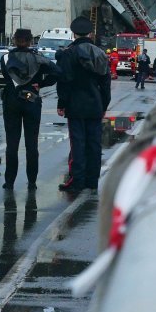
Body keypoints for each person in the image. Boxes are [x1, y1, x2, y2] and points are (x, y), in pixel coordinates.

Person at [55, 16, 111, 194]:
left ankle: (77, 180)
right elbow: (106, 83)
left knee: (77, 143)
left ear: (73, 33)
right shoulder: (100, 54)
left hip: (75, 105)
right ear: (90, 32)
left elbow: (64, 81)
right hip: (95, 104)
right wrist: (103, 105)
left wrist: (62, 103)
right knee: (94, 144)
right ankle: (92, 180)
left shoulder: (68, 54)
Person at [1, 28, 59, 190]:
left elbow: (7, 78)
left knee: (12, 143)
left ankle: (9, 181)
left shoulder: (5, 58)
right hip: (32, 100)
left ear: (14, 40)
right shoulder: (38, 59)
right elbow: (57, 72)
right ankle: (32, 181)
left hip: (11, 100)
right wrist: (40, 84)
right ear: (30, 41)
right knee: (31, 143)